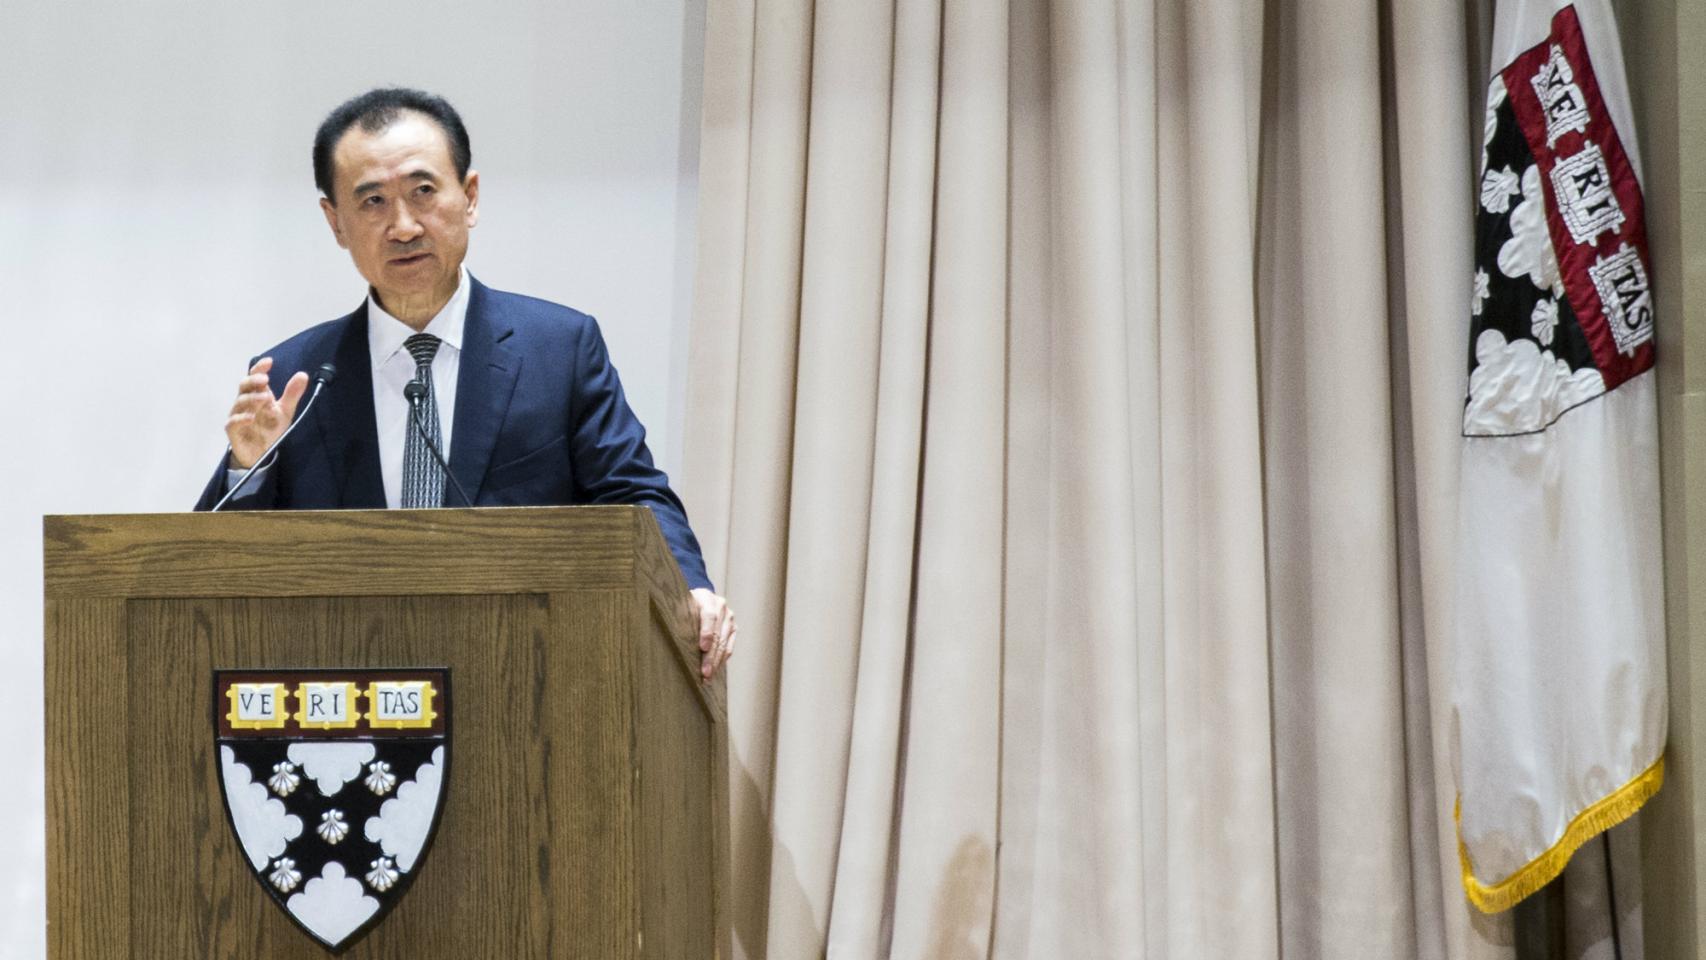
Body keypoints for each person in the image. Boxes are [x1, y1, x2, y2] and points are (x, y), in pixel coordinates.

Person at [193, 87, 734, 679]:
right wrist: (250, 468)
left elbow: (633, 495)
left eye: (423, 192)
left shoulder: (559, 348)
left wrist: (691, 589)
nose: (403, 226)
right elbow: (214, 570)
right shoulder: (294, 377)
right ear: (336, 223)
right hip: (349, 682)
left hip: (526, 672)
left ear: (469, 196)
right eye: (371, 201)